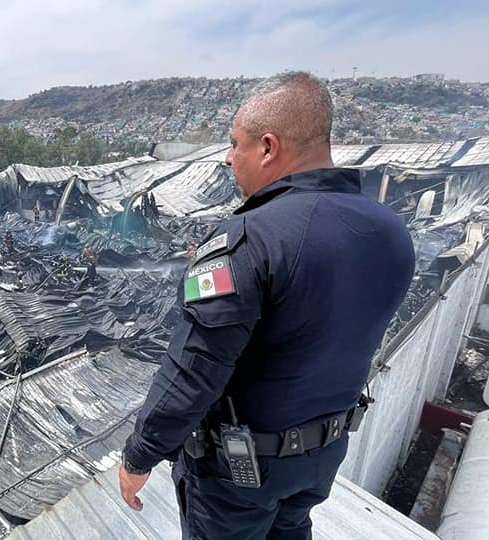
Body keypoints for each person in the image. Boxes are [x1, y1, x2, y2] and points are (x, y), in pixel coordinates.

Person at [118, 72, 416, 540]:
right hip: (321, 458)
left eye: (236, 144)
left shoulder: (248, 240)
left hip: (240, 476)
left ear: (269, 147)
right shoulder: (391, 232)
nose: (228, 157)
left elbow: (195, 367)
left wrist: (140, 454)